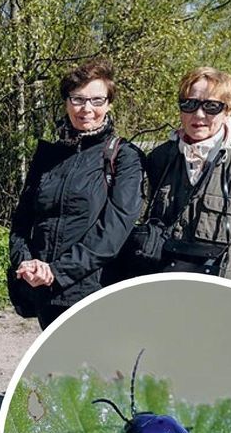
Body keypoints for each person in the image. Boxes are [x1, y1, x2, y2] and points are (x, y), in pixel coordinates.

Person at [8, 58, 142, 330]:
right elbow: (22, 220)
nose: (86, 109)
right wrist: (25, 262)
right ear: (67, 103)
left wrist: (57, 272)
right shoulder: (48, 155)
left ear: (109, 104)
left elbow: (113, 234)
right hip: (45, 293)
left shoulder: (124, 157)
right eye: (78, 99)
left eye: (96, 100)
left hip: (94, 293)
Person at [131, 66, 231, 286]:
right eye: (189, 104)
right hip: (168, 285)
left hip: (228, 290)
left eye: (211, 106)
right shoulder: (160, 158)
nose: (199, 115)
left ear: (228, 110)